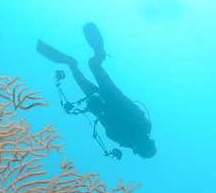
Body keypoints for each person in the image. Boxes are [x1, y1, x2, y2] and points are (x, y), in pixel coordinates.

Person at [36, 23, 156, 160]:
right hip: (108, 98)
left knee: (92, 66)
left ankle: (80, 57)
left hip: (110, 96)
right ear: (141, 149)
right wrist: (95, 109)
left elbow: (114, 124)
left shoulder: (143, 128)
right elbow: (110, 128)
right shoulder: (135, 134)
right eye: (139, 152)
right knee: (87, 70)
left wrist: (96, 109)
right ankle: (74, 60)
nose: (135, 151)